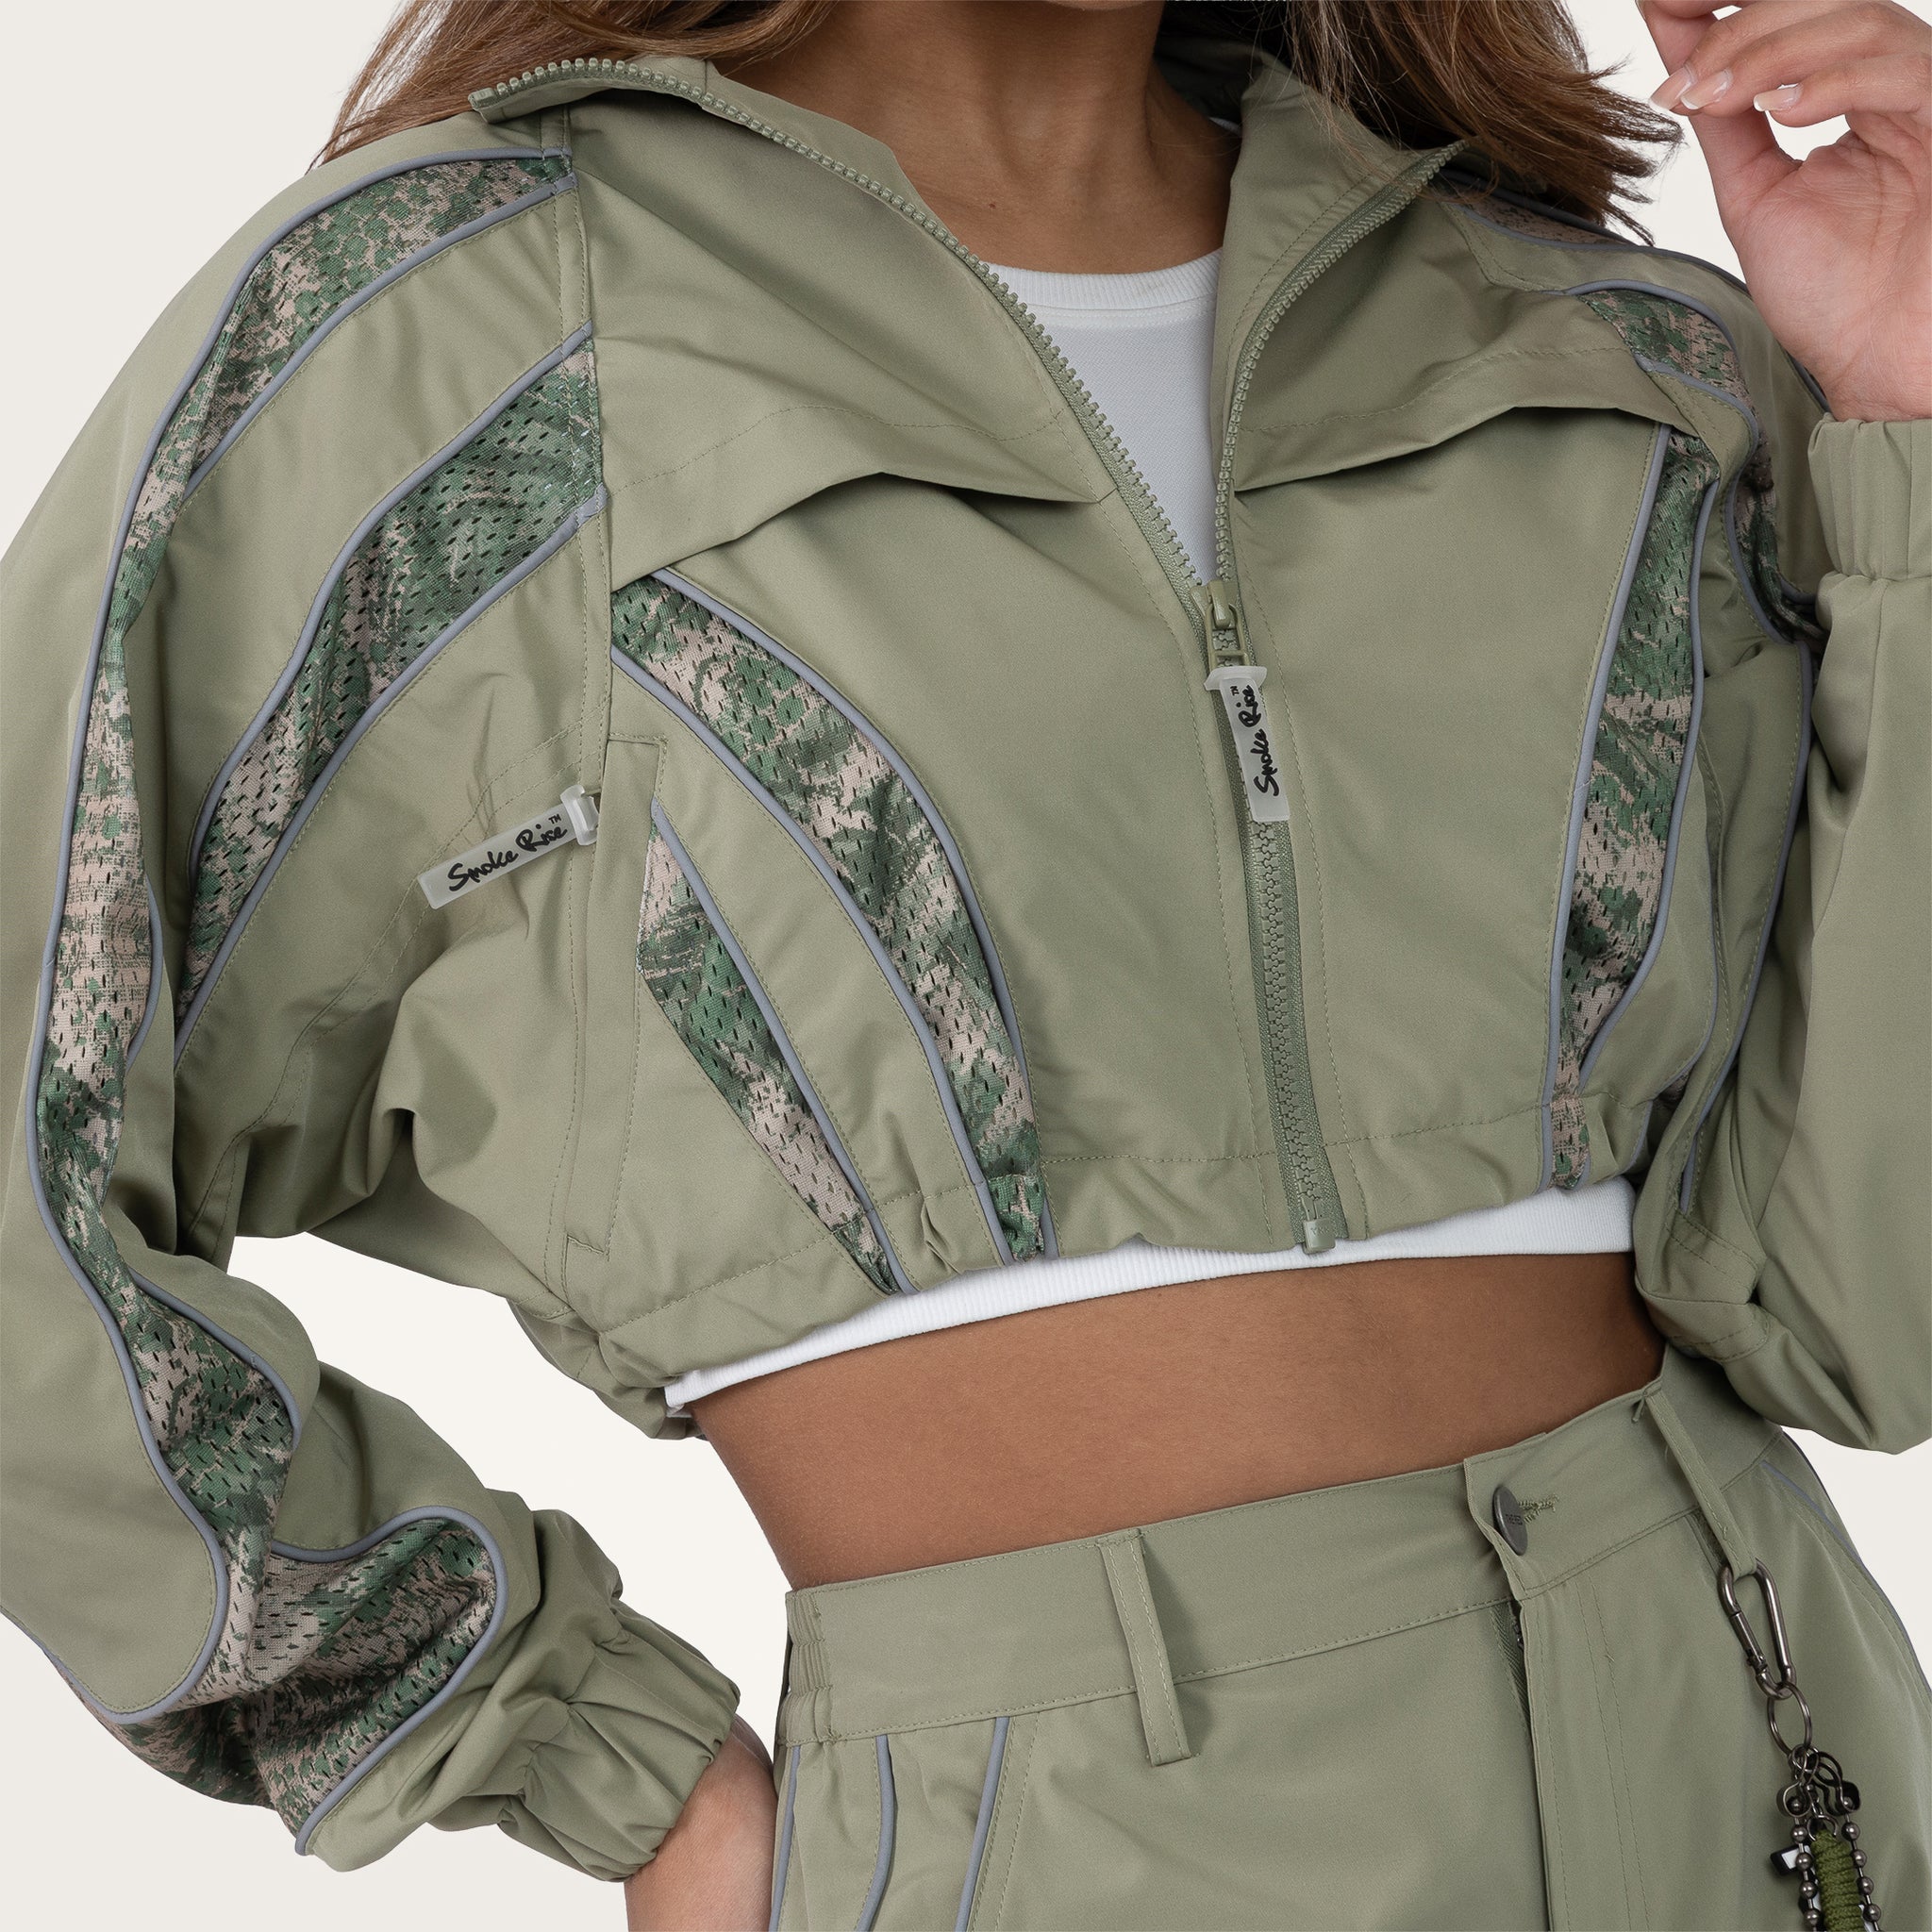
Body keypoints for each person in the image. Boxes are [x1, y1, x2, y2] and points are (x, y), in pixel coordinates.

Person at [2, 0, 1926, 1924]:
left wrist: (1913, 413)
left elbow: (1859, 1311)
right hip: (1071, 1835)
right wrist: (603, 1759)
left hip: (1765, 1758)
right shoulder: (462, 332)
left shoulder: (1606, 345)